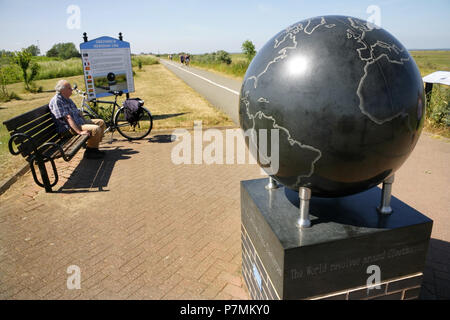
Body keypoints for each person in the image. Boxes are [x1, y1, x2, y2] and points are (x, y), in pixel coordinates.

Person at [49, 80, 106, 159]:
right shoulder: (57, 101)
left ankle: (93, 148)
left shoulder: (67, 99)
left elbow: (77, 112)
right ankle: (90, 153)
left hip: (79, 123)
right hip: (68, 129)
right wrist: (79, 132)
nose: (72, 89)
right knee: (95, 129)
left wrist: (84, 120)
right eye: (69, 88)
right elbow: (68, 118)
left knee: (100, 122)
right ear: (62, 90)